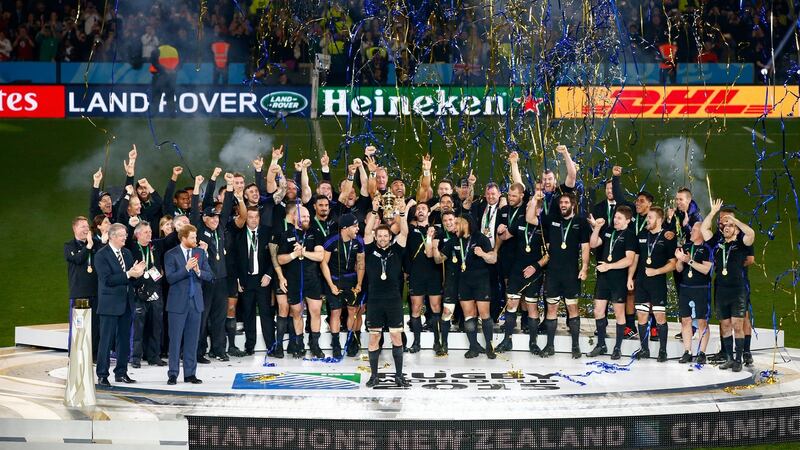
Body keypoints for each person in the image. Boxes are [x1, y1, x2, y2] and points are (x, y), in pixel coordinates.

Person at [363, 196, 412, 387]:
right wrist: (374, 211)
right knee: (374, 337)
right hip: (375, 301)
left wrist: (402, 213)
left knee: (396, 337)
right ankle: (374, 376)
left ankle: (399, 376)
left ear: (390, 237)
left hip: (393, 300)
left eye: (386, 236)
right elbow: (366, 231)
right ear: (376, 237)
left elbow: (405, 232)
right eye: (380, 236)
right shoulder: (369, 250)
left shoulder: (397, 251)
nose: (383, 238)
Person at [701, 199, 755, 372]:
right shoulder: (717, 245)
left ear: (736, 229)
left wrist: (734, 220)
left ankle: (738, 359)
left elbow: (751, 233)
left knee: (737, 325)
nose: (726, 227)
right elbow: (704, 229)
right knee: (725, 325)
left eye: (730, 226)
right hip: (721, 291)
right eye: (724, 225)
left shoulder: (741, 244)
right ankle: (729, 358)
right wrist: (713, 212)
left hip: (737, 291)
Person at [535, 192, 591, 358]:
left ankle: (575, 346)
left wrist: (585, 267)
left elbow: (585, 247)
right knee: (551, 308)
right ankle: (549, 345)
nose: (563, 205)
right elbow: (533, 218)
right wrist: (536, 200)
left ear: (573, 204)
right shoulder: (552, 219)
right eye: (561, 203)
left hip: (571, 273)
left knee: (572, 308)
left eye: (566, 202)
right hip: (553, 272)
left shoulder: (581, 222)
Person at [190, 172, 235, 362]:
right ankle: (198, 351)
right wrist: (197, 186)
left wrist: (230, 185)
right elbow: (194, 210)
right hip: (205, 280)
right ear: (204, 219)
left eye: (216, 216)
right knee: (203, 316)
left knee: (219, 316)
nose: (215, 219)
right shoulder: (199, 229)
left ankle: (219, 349)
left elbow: (227, 208)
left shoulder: (220, 228)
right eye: (211, 217)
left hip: (221, 279)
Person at [94, 223, 146, 387]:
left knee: (124, 340)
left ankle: (121, 373)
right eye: (122, 235)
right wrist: (129, 273)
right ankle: (102, 375)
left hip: (126, 303)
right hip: (109, 304)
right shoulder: (101, 255)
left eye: (125, 235)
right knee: (106, 340)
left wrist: (138, 274)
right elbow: (107, 280)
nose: (125, 238)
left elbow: (131, 279)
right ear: (112, 236)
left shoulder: (127, 253)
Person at [439, 216, 497, 359]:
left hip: (481, 281)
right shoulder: (454, 240)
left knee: (484, 314)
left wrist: (483, 254)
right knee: (469, 316)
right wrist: (431, 244)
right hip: (464, 282)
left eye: (457, 223)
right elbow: (438, 258)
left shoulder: (481, 238)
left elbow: (493, 259)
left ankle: (489, 346)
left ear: (465, 224)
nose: (454, 226)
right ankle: (473, 347)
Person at [499, 186, 548, 353]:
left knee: (531, 306)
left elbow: (549, 255)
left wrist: (535, 267)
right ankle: (507, 340)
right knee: (511, 303)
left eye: (531, 206)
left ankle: (533, 343)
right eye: (527, 206)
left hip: (534, 272)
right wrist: (500, 231)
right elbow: (506, 236)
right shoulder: (520, 221)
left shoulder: (544, 226)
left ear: (538, 209)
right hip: (517, 270)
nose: (527, 208)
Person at [275, 203, 327, 358]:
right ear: (294, 217)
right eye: (303, 216)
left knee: (315, 311)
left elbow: (320, 256)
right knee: (296, 312)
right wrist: (294, 255)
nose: (306, 219)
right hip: (294, 280)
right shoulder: (286, 234)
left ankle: (315, 345)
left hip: (312, 279)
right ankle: (299, 345)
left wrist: (304, 253)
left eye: (308, 216)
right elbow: (280, 259)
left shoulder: (315, 232)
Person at [164, 224, 213, 385]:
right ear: (183, 238)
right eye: (192, 237)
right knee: (175, 340)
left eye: (195, 236)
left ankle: (190, 374)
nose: (195, 240)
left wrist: (198, 271)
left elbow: (209, 275)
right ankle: (173, 374)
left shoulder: (200, 253)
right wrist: (186, 268)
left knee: (192, 340)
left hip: (196, 303)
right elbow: (170, 278)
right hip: (177, 304)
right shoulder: (171, 254)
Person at [628, 207, 677, 362]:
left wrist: (656, 271)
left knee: (659, 316)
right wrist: (630, 277)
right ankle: (644, 349)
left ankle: (663, 351)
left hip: (657, 283)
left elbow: (673, 264)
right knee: (641, 315)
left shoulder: (668, 237)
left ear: (659, 219)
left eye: (650, 217)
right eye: (647, 217)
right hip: (641, 282)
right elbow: (635, 259)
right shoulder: (642, 235)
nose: (647, 220)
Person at [588, 205, 637, 359]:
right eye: (615, 217)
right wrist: (597, 228)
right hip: (603, 278)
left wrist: (609, 266)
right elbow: (593, 244)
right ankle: (601, 344)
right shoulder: (609, 230)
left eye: (619, 218)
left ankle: (617, 347)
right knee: (598, 311)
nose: (615, 220)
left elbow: (629, 260)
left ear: (627, 220)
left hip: (618, 279)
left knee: (619, 313)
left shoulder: (630, 235)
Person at [321, 213, 366, 357]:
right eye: (355, 226)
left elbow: (360, 263)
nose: (358, 229)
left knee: (353, 311)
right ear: (345, 228)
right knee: (336, 311)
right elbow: (323, 263)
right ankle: (335, 344)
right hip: (334, 279)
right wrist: (331, 285)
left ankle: (352, 340)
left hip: (351, 279)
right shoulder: (332, 240)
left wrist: (359, 283)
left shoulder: (359, 240)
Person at [233, 206, 274, 356]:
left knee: (266, 314)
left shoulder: (267, 232)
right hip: (246, 280)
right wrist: (237, 279)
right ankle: (250, 346)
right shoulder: (238, 235)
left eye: (256, 217)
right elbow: (234, 259)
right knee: (248, 314)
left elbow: (274, 256)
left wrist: (269, 275)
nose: (254, 220)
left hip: (263, 279)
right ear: (245, 218)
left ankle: (271, 346)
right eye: (250, 217)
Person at [127, 221, 166, 368]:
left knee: (156, 326)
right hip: (139, 293)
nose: (149, 234)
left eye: (150, 231)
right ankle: (135, 358)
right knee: (138, 327)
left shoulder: (155, 246)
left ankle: (154, 356)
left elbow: (169, 240)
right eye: (145, 232)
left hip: (155, 292)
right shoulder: (131, 248)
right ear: (137, 235)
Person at [406, 201, 442, 353]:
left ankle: (437, 342)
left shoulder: (436, 230)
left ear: (429, 212)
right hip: (416, 274)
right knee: (416, 308)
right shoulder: (410, 229)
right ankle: (416, 343)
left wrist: (429, 236)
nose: (420, 211)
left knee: (435, 307)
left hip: (433, 273)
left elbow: (431, 253)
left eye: (423, 209)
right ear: (415, 213)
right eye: (418, 209)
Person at [674, 222, 712, 364]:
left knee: (702, 321)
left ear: (702, 232)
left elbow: (706, 270)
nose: (691, 232)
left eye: (694, 230)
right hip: (685, 288)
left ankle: (702, 352)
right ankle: (687, 351)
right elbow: (678, 269)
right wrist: (680, 260)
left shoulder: (707, 248)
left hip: (701, 288)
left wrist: (688, 260)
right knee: (685, 320)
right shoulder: (686, 247)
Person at [64, 216, 99, 361]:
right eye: (82, 226)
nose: (86, 229)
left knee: (95, 325)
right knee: (79, 326)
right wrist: (88, 246)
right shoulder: (69, 246)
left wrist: (93, 243)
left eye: (87, 226)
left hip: (95, 291)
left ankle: (94, 355)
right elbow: (78, 259)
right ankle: (75, 355)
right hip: (79, 293)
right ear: (74, 228)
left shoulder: (96, 244)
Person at [429, 209, 461, 355]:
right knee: (445, 310)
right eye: (445, 220)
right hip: (448, 278)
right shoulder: (440, 236)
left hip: (466, 278)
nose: (448, 223)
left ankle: (474, 345)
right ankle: (443, 343)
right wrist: (434, 246)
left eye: (450, 220)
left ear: (456, 220)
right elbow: (436, 259)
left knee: (469, 311)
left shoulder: (464, 234)